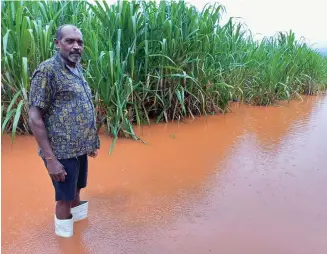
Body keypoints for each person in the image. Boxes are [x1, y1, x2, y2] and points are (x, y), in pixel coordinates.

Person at [28, 24, 100, 237]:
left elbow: (81, 104)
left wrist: (91, 142)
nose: (76, 46)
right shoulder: (47, 71)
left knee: (77, 190)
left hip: (79, 147)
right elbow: (35, 118)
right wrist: (51, 160)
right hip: (60, 151)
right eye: (70, 41)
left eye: (80, 42)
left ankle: (78, 236)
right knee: (64, 199)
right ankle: (65, 243)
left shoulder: (76, 67)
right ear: (57, 43)